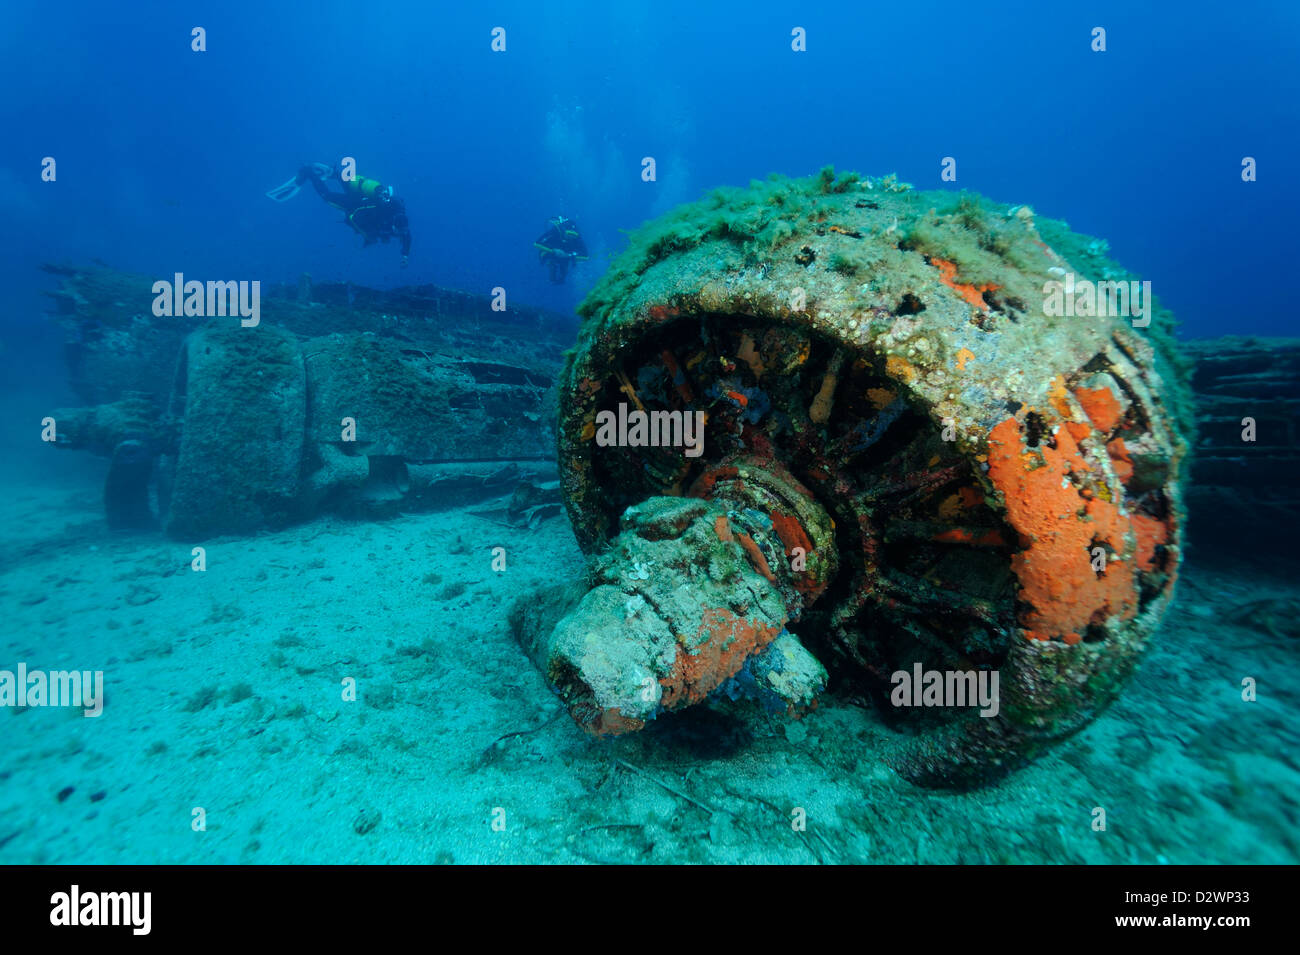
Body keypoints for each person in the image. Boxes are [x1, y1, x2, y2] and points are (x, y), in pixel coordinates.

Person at [267, 162, 411, 267]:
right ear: (393, 224)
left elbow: (407, 236)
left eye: (401, 231)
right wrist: (368, 235)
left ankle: (335, 174)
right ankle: (308, 172)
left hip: (361, 201)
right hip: (356, 205)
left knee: (349, 188)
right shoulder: (379, 212)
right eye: (398, 230)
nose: (399, 233)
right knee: (327, 196)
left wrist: (405, 255)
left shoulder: (399, 223)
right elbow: (355, 217)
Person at [534, 215, 588, 284]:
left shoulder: (577, 238)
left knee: (564, 272)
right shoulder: (556, 230)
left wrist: (568, 255)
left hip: (566, 254)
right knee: (550, 260)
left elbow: (586, 256)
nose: (571, 237)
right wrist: (553, 251)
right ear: (564, 231)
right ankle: (551, 264)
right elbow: (537, 243)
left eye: (573, 235)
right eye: (569, 234)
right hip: (551, 249)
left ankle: (560, 278)